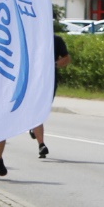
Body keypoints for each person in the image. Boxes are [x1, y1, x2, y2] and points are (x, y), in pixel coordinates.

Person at [30, 29, 71, 159]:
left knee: (42, 110)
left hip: (49, 81)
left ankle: (33, 126)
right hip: (31, 81)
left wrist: (54, 64)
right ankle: (41, 144)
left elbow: (67, 58)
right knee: (37, 110)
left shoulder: (56, 40)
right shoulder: (30, 38)